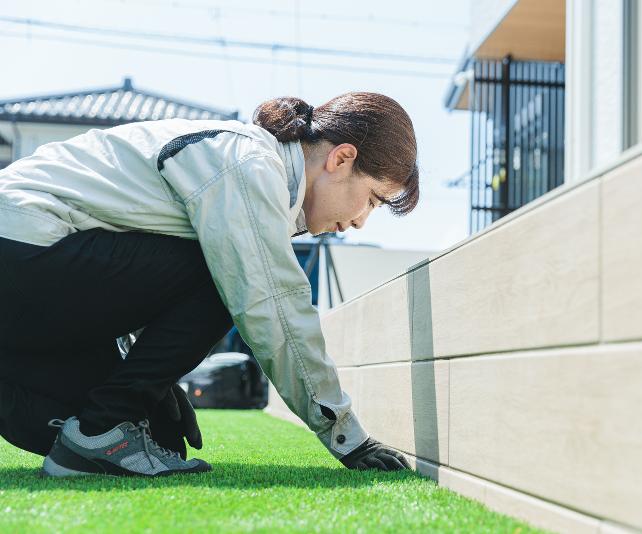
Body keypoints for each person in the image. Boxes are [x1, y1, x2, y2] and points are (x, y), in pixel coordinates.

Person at [0, 91, 417, 476]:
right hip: (21, 248)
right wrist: (345, 436)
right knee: (228, 273)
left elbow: (125, 272)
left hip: (32, 279)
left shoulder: (254, 171)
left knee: (160, 430)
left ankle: (90, 430)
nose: (362, 220)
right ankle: (99, 430)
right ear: (342, 159)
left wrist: (147, 381)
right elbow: (274, 307)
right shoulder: (250, 163)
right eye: (374, 199)